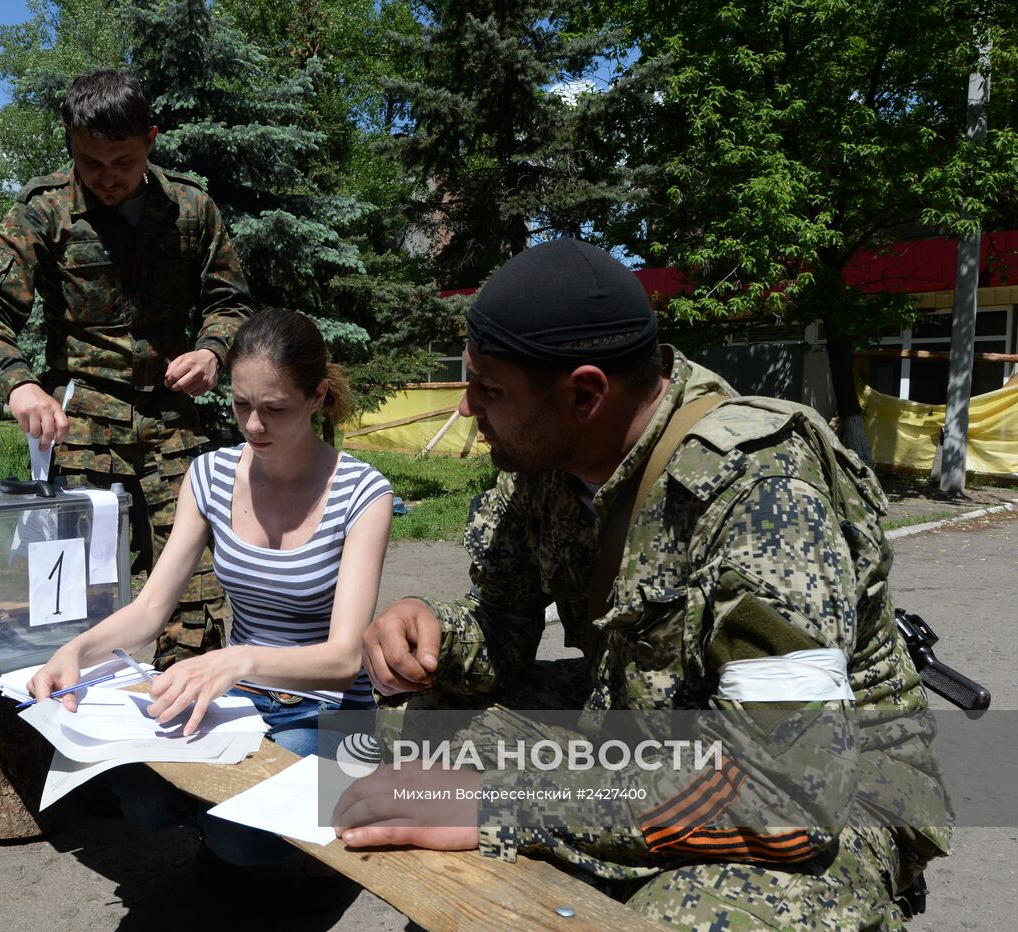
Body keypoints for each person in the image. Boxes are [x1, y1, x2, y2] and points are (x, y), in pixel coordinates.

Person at [335, 240, 950, 929]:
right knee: (413, 726)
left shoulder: (763, 492)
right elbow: (501, 635)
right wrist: (433, 629)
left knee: (676, 915)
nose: (468, 408)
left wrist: (500, 807)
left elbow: (791, 798)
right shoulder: (542, 459)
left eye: (490, 389)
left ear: (586, 393)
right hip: (652, 728)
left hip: (834, 793)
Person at [0, 69, 251, 670]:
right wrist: (20, 383)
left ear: (152, 140)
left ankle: (182, 710)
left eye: (123, 160)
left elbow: (231, 303)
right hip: (81, 426)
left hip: (173, 421)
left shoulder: (192, 209)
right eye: (91, 163)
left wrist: (215, 350)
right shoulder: (45, 212)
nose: (108, 178)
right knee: (70, 594)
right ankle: (75, 723)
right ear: (71, 148)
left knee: (197, 589)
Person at [28, 307, 393, 753]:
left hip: (329, 712)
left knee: (252, 811)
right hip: (238, 698)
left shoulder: (363, 492)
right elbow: (150, 610)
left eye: (275, 408)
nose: (254, 425)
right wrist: (74, 653)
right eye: (242, 404)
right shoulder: (211, 476)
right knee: (144, 794)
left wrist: (236, 661)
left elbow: (344, 659)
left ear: (317, 396)